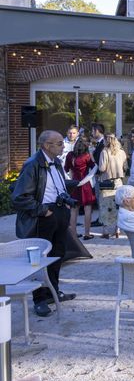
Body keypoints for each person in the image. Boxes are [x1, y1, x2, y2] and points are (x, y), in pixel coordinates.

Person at [11, 130, 77, 317]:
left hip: (59, 213)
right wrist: (42, 210)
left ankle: (52, 292)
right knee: (39, 261)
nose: (63, 146)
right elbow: (19, 197)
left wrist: (76, 185)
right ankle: (39, 299)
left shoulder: (56, 162)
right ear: (46, 146)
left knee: (57, 256)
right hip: (43, 216)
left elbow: (56, 186)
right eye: (58, 143)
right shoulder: (33, 165)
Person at [64, 137, 97, 240]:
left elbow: (66, 168)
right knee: (88, 208)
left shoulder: (70, 155)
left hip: (74, 184)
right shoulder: (87, 156)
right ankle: (87, 233)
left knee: (74, 210)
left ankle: (74, 234)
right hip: (85, 184)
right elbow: (94, 166)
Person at [98, 133, 128, 238]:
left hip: (107, 181)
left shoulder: (105, 152)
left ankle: (106, 231)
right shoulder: (122, 152)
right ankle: (117, 230)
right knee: (117, 205)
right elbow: (125, 167)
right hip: (119, 181)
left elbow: (102, 168)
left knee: (106, 206)